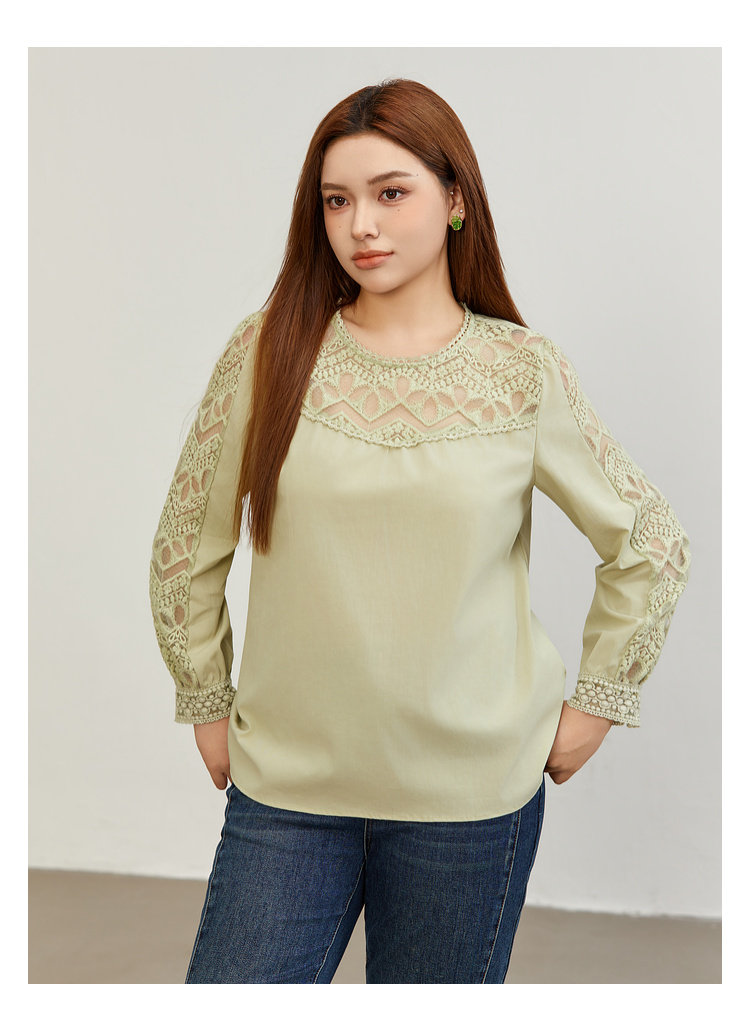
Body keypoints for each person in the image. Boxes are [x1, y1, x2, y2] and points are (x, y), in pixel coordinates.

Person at [148, 78, 691, 984]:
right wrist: (204, 699)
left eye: (390, 192)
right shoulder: (268, 350)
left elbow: (651, 543)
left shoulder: (522, 372)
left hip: (471, 806)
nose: (360, 224)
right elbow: (185, 542)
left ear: (454, 200)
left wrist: (596, 707)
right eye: (337, 200)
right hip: (287, 790)